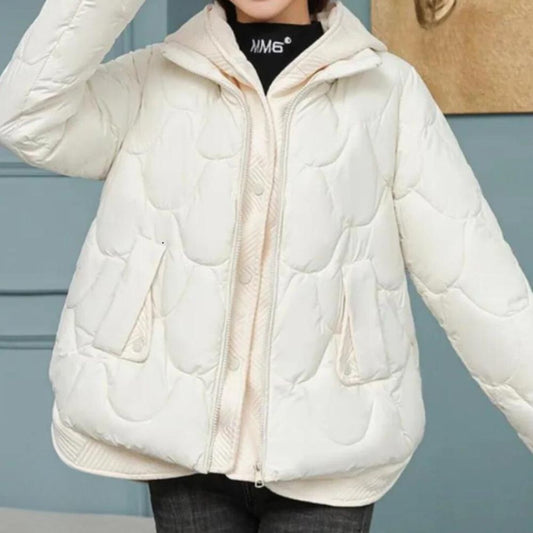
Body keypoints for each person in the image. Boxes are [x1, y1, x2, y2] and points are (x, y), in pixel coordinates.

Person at [0, 0, 531, 532]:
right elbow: (25, 120)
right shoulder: (153, 77)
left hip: (331, 445)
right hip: (180, 441)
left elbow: (476, 280)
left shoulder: (388, 91)